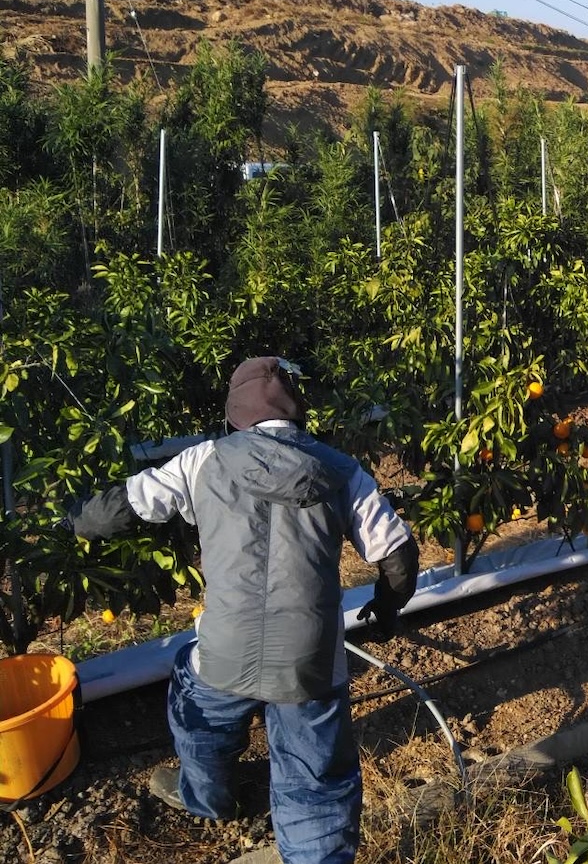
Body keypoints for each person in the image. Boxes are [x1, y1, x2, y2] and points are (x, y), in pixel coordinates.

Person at [68, 355, 419, 864]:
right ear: (298, 410)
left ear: (236, 412)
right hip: (310, 661)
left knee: (198, 716)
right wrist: (386, 614)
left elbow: (120, 509)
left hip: (224, 653)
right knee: (316, 779)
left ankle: (208, 796)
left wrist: (72, 520)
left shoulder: (199, 460)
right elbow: (400, 560)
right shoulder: (343, 472)